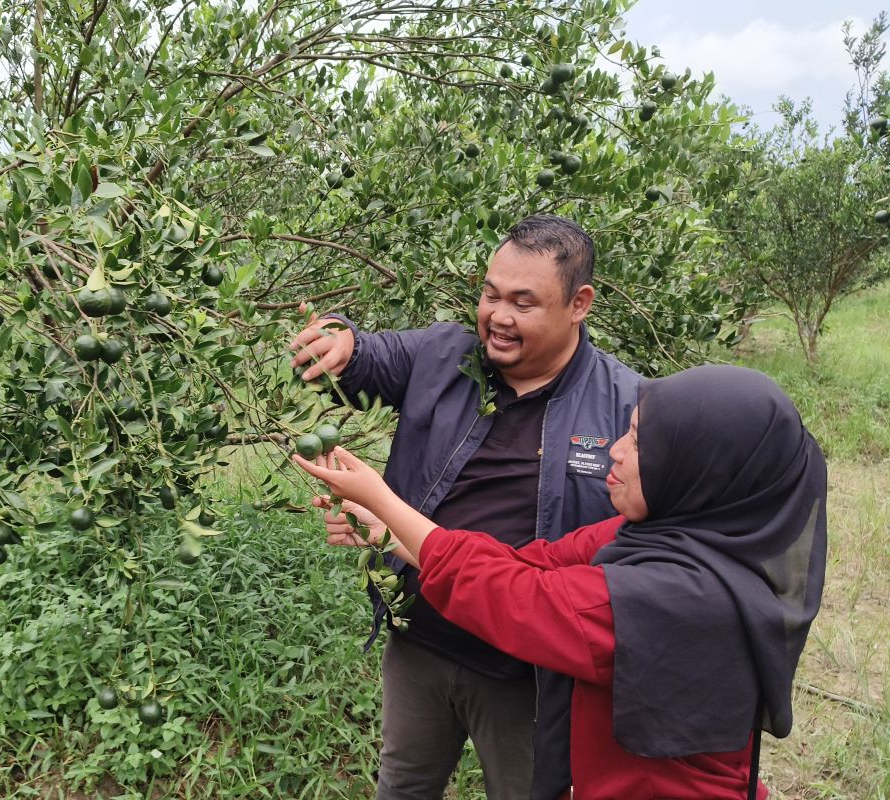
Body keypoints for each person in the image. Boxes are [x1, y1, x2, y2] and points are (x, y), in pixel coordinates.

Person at [294, 365, 828, 800]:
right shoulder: (657, 534)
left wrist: (383, 498)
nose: (615, 451)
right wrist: (389, 530)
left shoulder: (682, 599)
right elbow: (529, 563)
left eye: (639, 442)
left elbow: (520, 599)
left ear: (700, 468)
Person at [289, 214, 641, 799]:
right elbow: (367, 358)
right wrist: (338, 337)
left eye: (523, 303)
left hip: (527, 672)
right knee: (404, 785)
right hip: (420, 641)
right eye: (489, 294)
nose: (498, 317)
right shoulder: (441, 356)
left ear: (579, 303)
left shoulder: (624, 406)